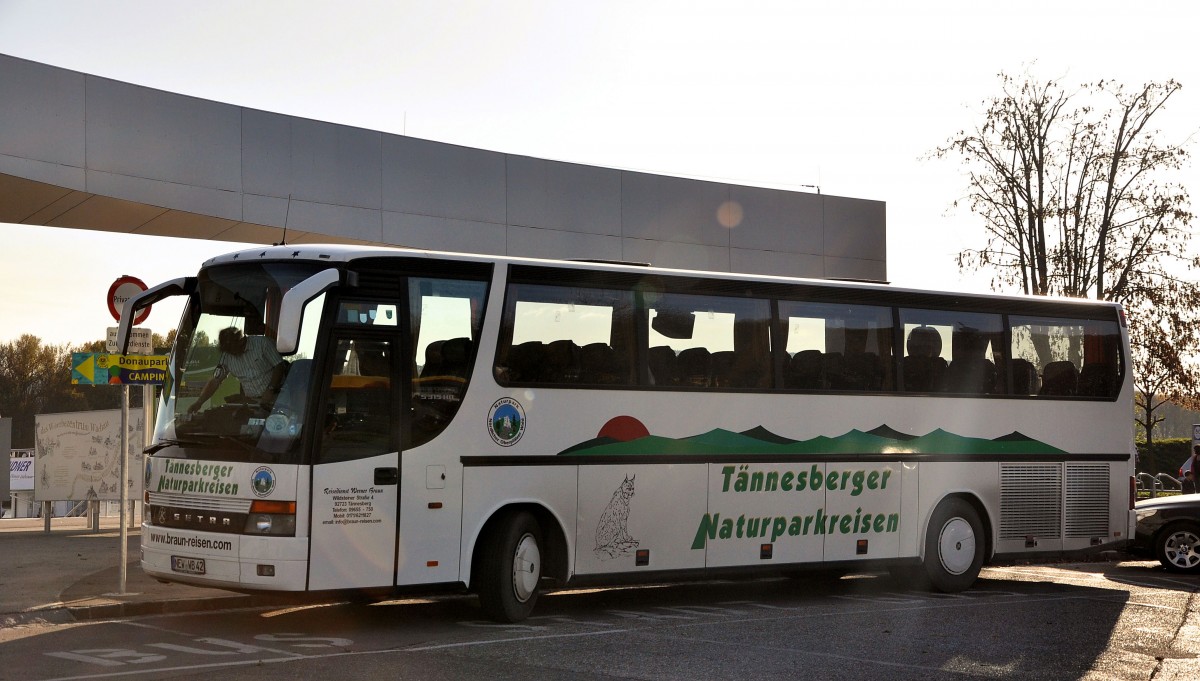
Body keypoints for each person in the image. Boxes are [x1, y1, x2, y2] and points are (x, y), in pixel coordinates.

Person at [188, 327, 287, 414]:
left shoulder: (263, 343)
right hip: (252, 403)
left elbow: (279, 366)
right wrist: (199, 402)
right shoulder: (227, 356)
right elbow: (215, 381)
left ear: (241, 341)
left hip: (277, 398)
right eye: (228, 350)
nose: (231, 353)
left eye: (232, 348)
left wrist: (271, 389)